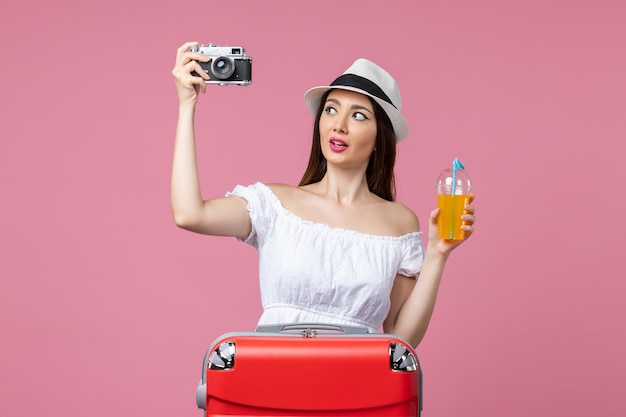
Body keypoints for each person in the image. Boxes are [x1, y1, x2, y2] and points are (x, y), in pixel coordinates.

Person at [171, 41, 476, 348]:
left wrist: (437, 254)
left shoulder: (399, 221)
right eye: (331, 110)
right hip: (275, 384)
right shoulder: (275, 205)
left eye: (358, 116)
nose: (338, 126)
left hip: (358, 388)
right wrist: (187, 106)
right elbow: (189, 214)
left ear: (380, 139)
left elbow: (400, 340)